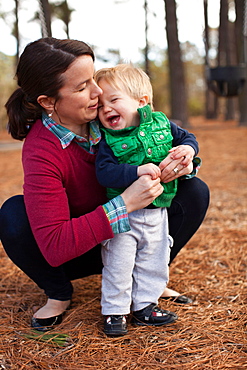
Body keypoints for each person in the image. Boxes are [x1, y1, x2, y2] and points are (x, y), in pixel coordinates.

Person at [0, 37, 209, 334]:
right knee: (13, 215)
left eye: (93, 79)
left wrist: (181, 165)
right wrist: (125, 204)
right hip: (78, 247)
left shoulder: (111, 116)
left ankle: (148, 279)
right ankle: (58, 293)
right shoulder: (41, 151)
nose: (98, 91)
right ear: (48, 102)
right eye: (82, 86)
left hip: (134, 235)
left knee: (195, 191)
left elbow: (161, 140)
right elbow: (55, 246)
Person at [94, 64, 200, 336]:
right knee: (119, 263)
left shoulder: (162, 123)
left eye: (114, 100)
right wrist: (136, 171)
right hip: (123, 216)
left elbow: (187, 138)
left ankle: (145, 307)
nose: (106, 109)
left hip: (157, 212)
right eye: (101, 105)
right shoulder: (107, 139)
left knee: (155, 259)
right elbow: (104, 172)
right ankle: (114, 311)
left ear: (141, 102)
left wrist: (188, 150)